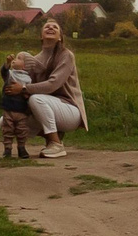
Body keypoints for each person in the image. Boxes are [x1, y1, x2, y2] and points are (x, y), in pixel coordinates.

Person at [5, 16, 86, 159]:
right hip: (46, 107)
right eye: (47, 26)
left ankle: (56, 144)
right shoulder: (34, 60)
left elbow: (52, 84)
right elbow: (22, 82)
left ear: (60, 37)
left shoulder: (66, 55)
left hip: (70, 110)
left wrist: (23, 88)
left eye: (55, 27)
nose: (50, 28)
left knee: (36, 99)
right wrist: (8, 69)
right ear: (41, 36)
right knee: (5, 121)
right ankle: (52, 137)